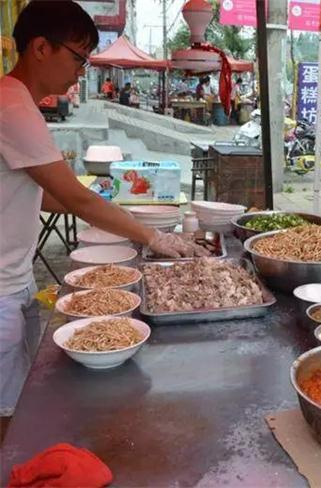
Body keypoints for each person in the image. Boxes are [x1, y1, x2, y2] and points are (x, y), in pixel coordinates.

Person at [0, 1, 192, 418]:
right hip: (1, 289)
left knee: (18, 406)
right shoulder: (12, 106)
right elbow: (75, 197)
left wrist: (123, 217)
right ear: (40, 48)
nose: (81, 70)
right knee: (8, 416)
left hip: (12, 282)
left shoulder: (16, 103)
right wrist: (152, 236)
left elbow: (47, 195)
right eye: (78, 56)